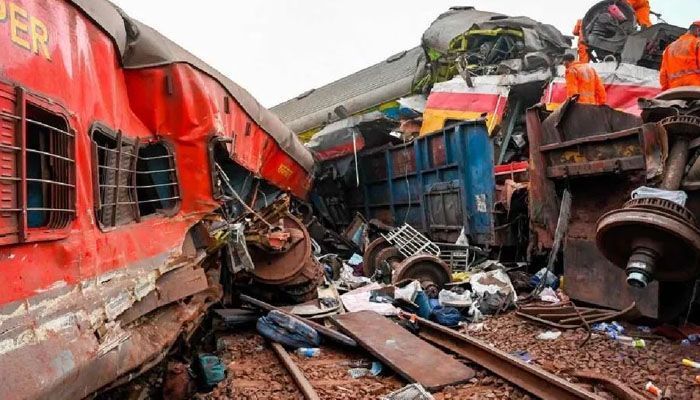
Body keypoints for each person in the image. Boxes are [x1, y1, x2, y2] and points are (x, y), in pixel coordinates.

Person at [659, 21, 700, 91]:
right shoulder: (697, 43)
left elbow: (663, 75)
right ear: (698, 30)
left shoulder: (669, 48)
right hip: (695, 88)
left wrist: (666, 90)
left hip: (674, 89)